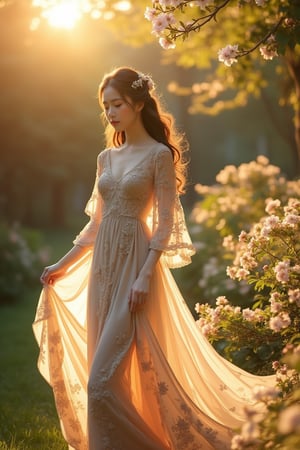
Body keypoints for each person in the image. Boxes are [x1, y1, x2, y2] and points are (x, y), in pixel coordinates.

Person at [33, 67, 274, 450]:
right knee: (112, 376)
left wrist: (145, 276)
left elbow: (164, 225)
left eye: (118, 104)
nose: (111, 113)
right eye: (106, 106)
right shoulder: (106, 158)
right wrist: (61, 264)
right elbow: (96, 224)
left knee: (100, 383)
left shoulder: (159, 156)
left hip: (135, 267)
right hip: (102, 270)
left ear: (139, 103)